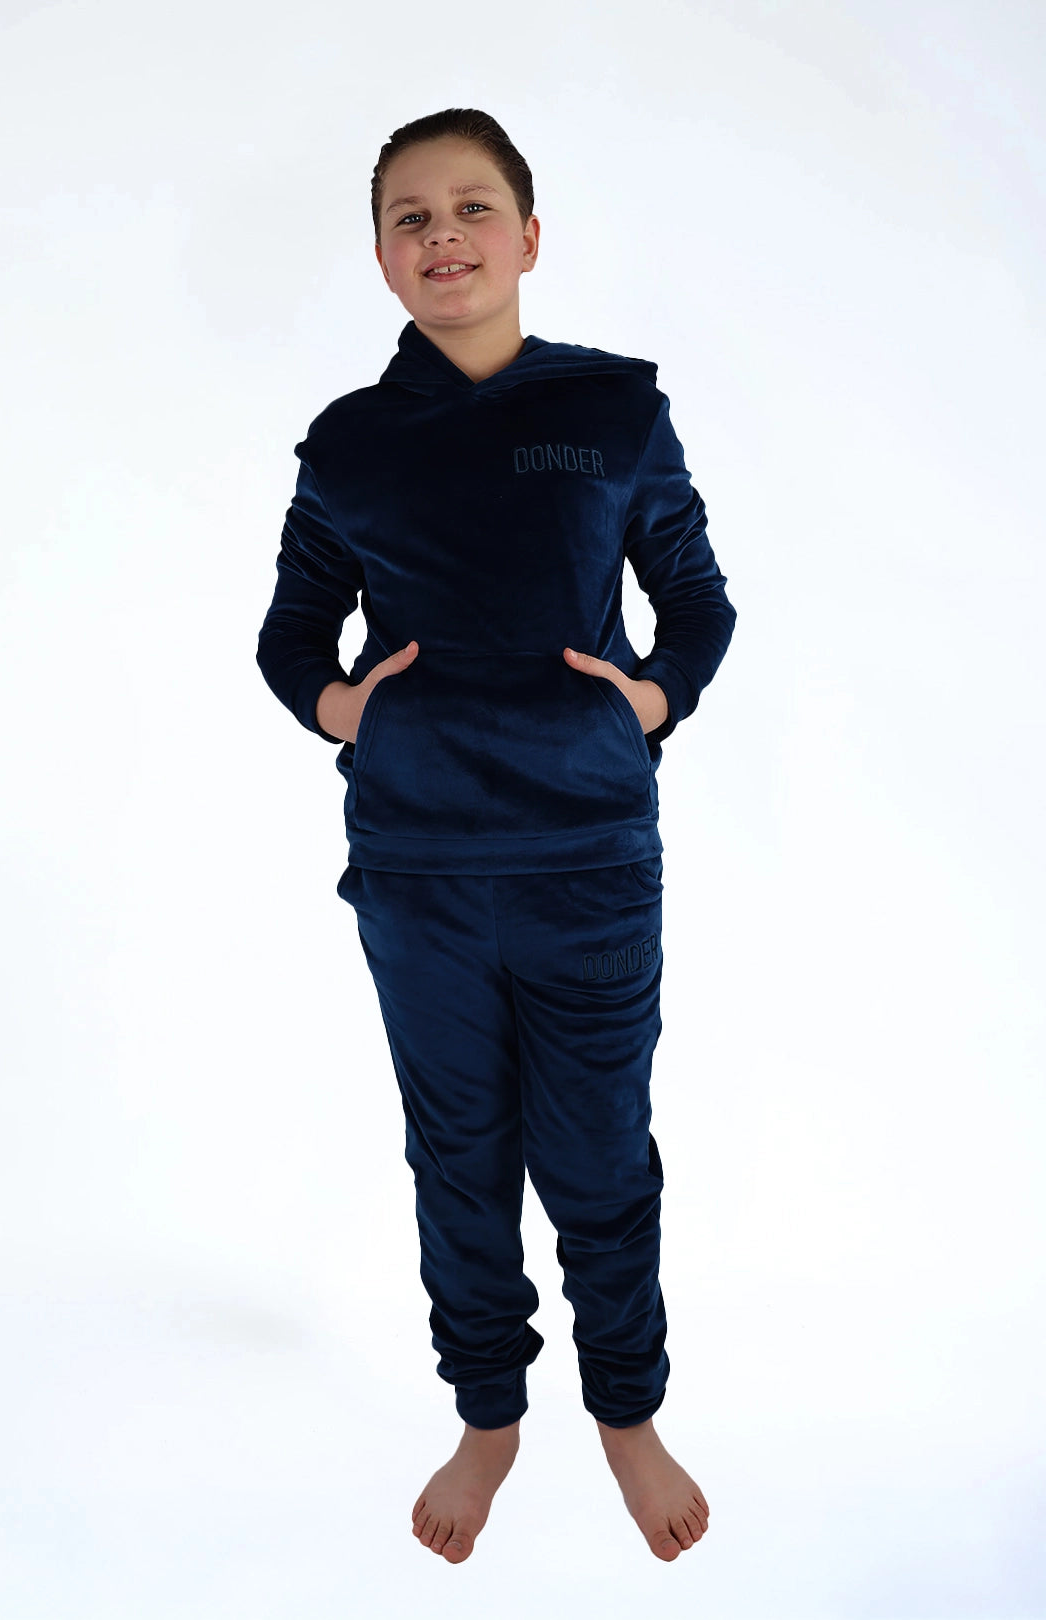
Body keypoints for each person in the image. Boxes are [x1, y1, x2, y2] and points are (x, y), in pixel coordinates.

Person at [256, 106, 736, 1566]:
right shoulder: (350, 444)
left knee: (599, 1161)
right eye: (410, 217)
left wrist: (656, 695)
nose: (443, 236)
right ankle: (487, 1415)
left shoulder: (616, 411)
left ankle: (627, 1412)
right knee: (458, 1157)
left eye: (472, 209)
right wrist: (341, 708)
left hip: (588, 856)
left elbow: (697, 596)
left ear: (527, 238)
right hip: (420, 869)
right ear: (383, 259)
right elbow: (290, 630)